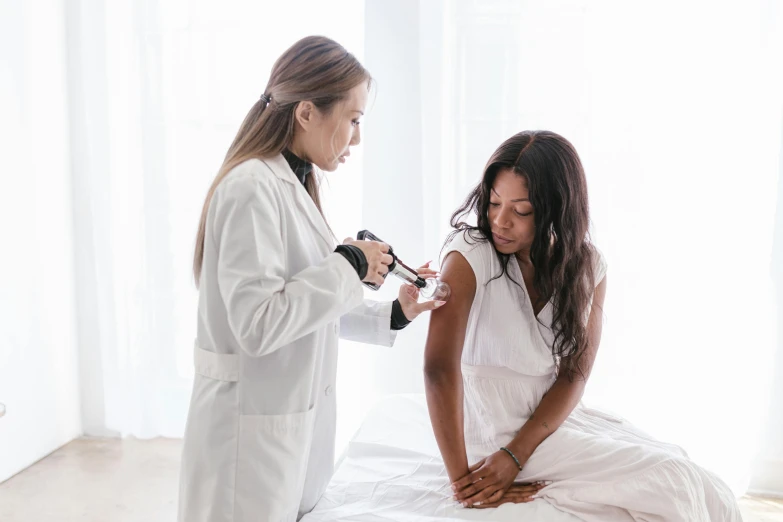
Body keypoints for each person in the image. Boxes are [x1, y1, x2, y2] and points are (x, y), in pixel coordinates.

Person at [178, 35, 444, 522]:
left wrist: (394, 312)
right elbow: (258, 326)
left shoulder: (295, 181)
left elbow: (304, 309)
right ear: (306, 113)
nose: (358, 138)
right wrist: (348, 263)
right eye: (354, 120)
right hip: (245, 439)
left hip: (282, 432)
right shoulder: (250, 189)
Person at [424, 130, 742, 520]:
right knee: (673, 478)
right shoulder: (470, 254)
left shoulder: (589, 266)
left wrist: (516, 455)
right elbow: (438, 369)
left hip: (546, 426)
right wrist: (465, 483)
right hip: (490, 432)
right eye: (493, 202)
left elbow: (574, 375)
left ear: (557, 209)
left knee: (695, 477)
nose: (499, 221)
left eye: (520, 210)